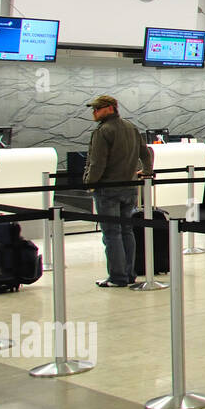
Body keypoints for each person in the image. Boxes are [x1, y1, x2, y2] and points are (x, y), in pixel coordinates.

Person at [83, 94, 153, 288]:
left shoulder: (103, 131)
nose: (94, 112)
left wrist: (89, 183)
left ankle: (117, 277)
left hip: (108, 190)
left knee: (111, 233)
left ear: (110, 108)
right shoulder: (131, 127)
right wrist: (146, 172)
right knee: (126, 231)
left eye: (98, 108)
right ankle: (129, 274)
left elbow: (97, 163)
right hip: (130, 188)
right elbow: (145, 154)